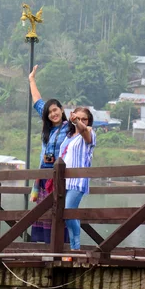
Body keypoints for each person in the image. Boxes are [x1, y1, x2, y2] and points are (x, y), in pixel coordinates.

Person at [28, 64, 70, 243]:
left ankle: (61, 247)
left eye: (56, 110)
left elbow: (86, 130)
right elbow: (37, 100)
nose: (53, 114)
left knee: (59, 210)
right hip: (44, 174)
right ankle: (46, 245)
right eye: (50, 111)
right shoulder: (47, 127)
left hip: (60, 177)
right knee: (44, 213)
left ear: (61, 110)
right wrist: (31, 79)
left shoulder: (70, 128)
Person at [59, 107, 96, 257]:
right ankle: (73, 250)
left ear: (89, 121)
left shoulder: (89, 133)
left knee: (68, 211)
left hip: (77, 180)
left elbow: (84, 132)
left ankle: (75, 250)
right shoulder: (68, 136)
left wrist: (77, 122)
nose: (81, 121)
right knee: (66, 214)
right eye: (78, 118)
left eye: (84, 119)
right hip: (64, 181)